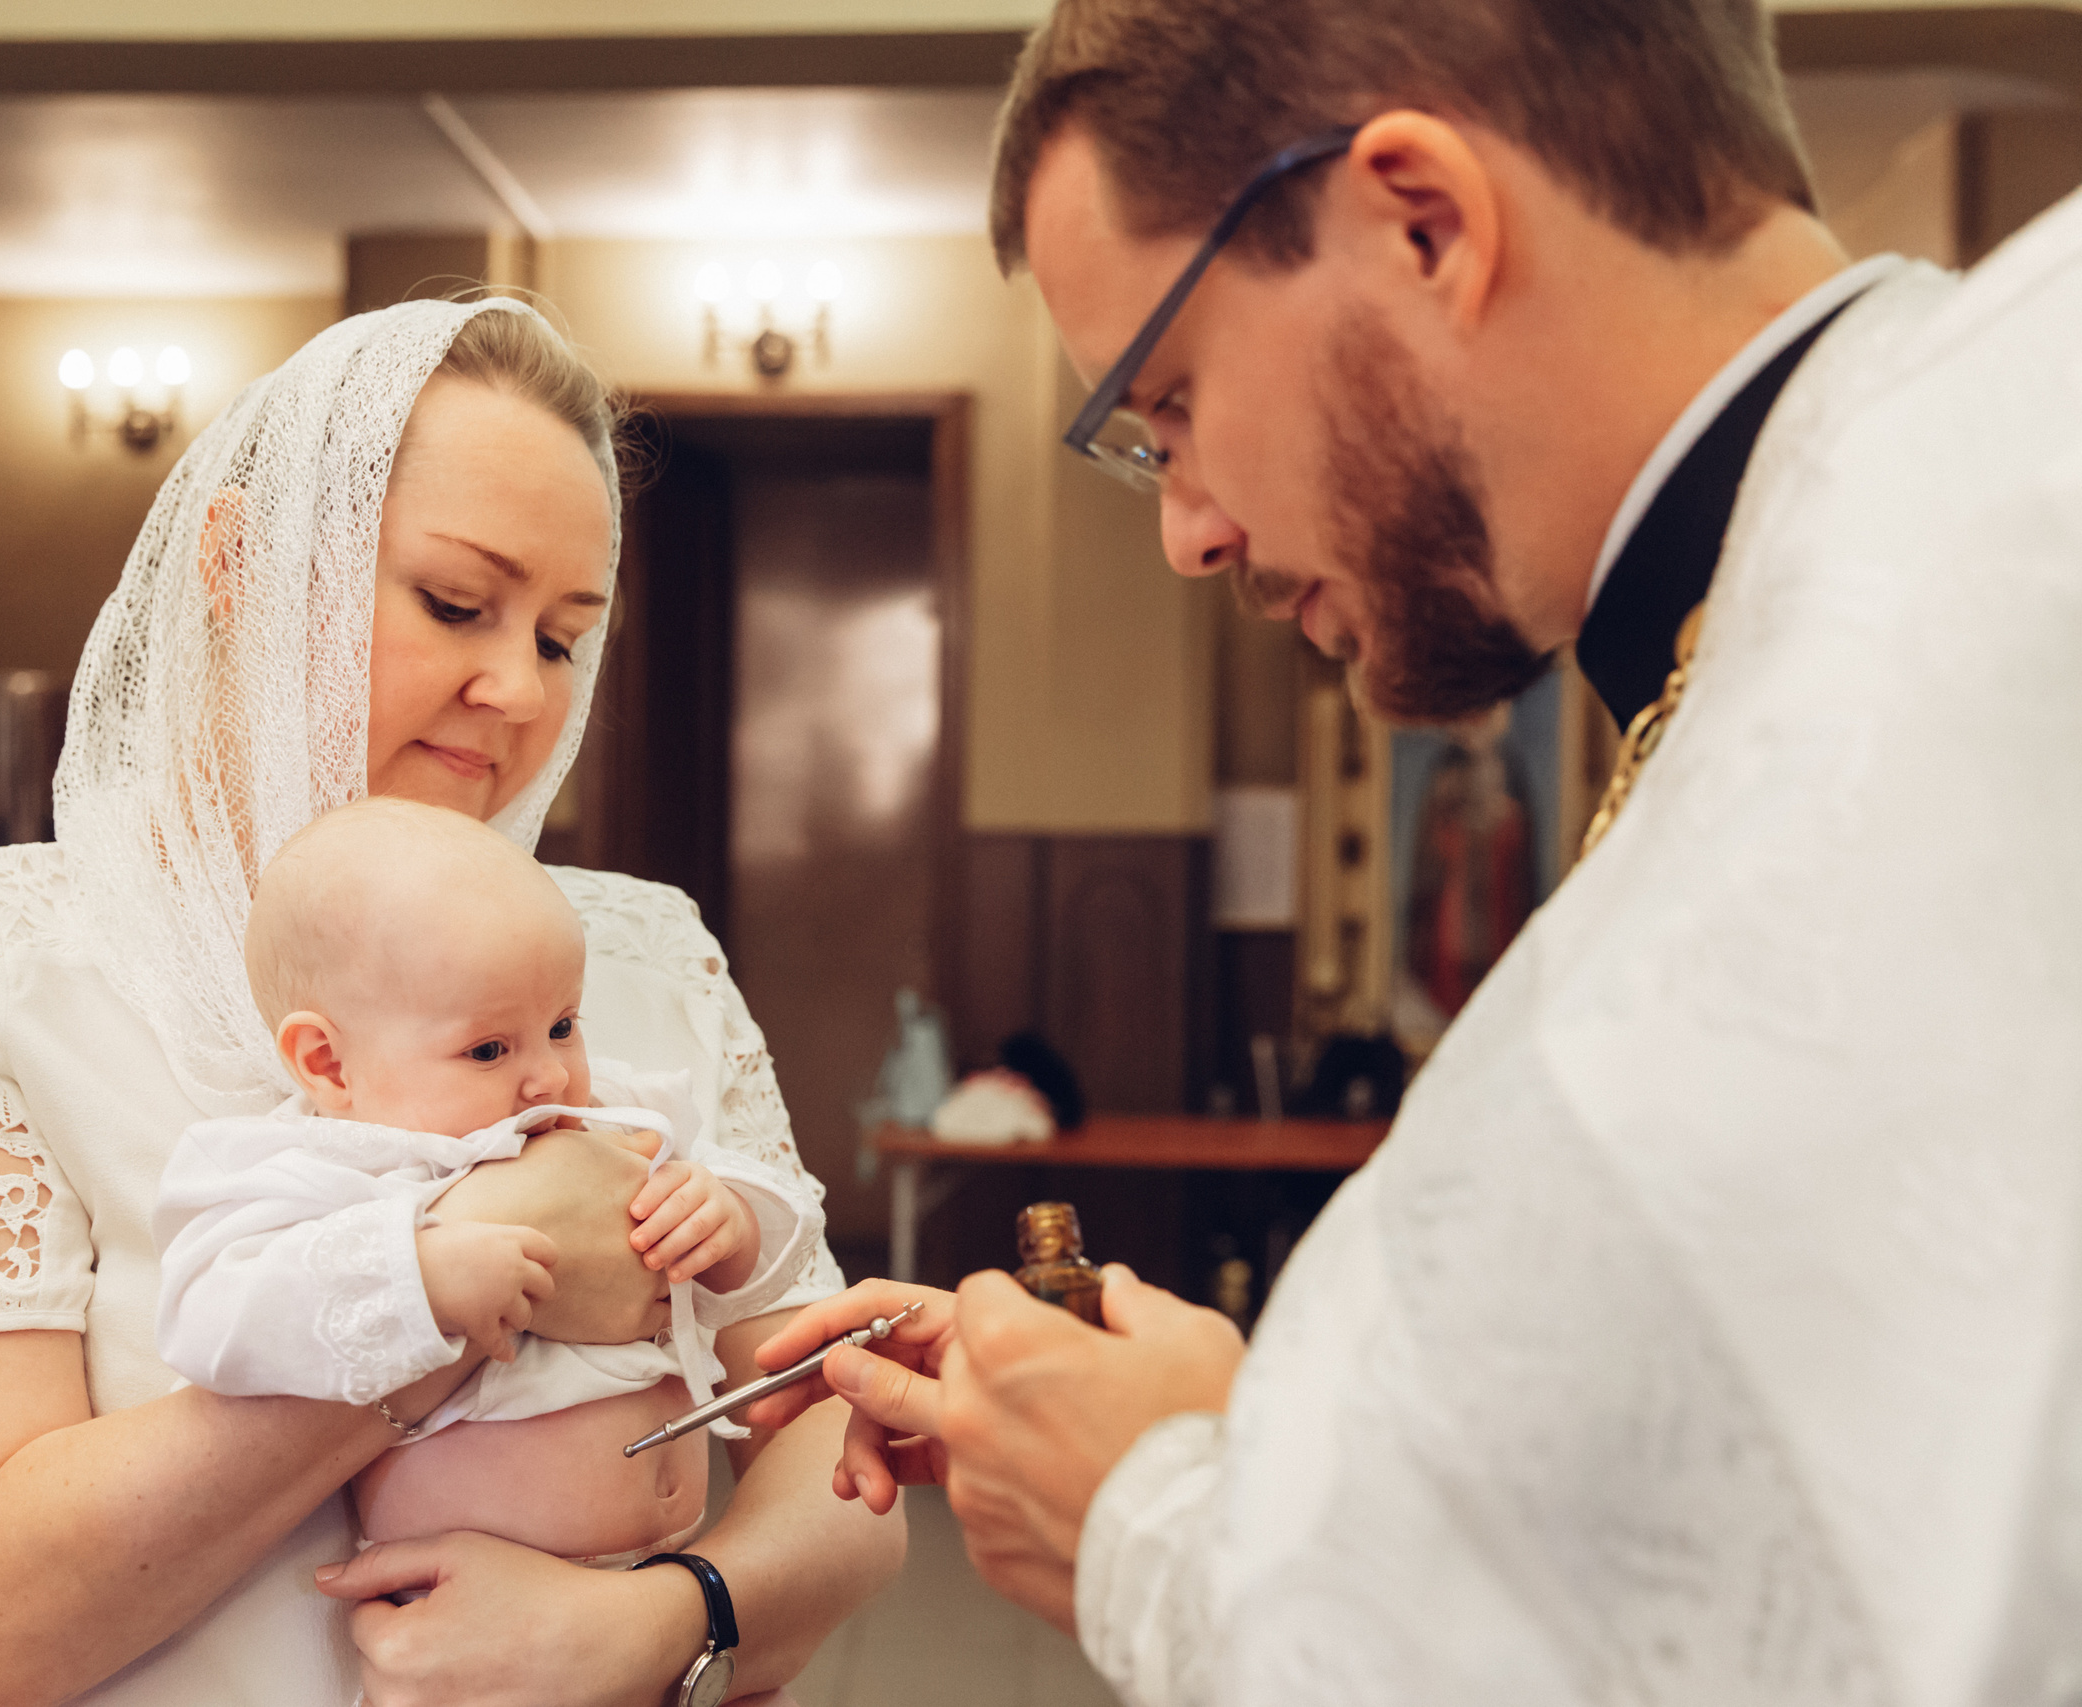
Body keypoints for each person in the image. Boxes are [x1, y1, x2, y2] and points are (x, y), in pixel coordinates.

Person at [753, 0, 2082, 1701]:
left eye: (1171, 403)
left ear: (1422, 225)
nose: (1188, 533)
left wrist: (1146, 1519)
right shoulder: (1898, 521)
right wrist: (1301, 1439)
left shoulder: (1902, 681)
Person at [0, 297, 902, 1707]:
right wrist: (458, 1267)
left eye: (563, 638)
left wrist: (658, 1622)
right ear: (241, 564)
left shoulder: (641, 950)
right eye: (454, 602)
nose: (514, 688)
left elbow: (834, 1444)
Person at [150, 795, 827, 1584]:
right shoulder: (318, 1160)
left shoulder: (610, 1110)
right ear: (329, 1063)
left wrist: (729, 1217)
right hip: (469, 1607)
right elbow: (207, 1314)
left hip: (666, 1570)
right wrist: (417, 1276)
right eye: (488, 1048)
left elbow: (783, 1228)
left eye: (564, 1024)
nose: (548, 1073)